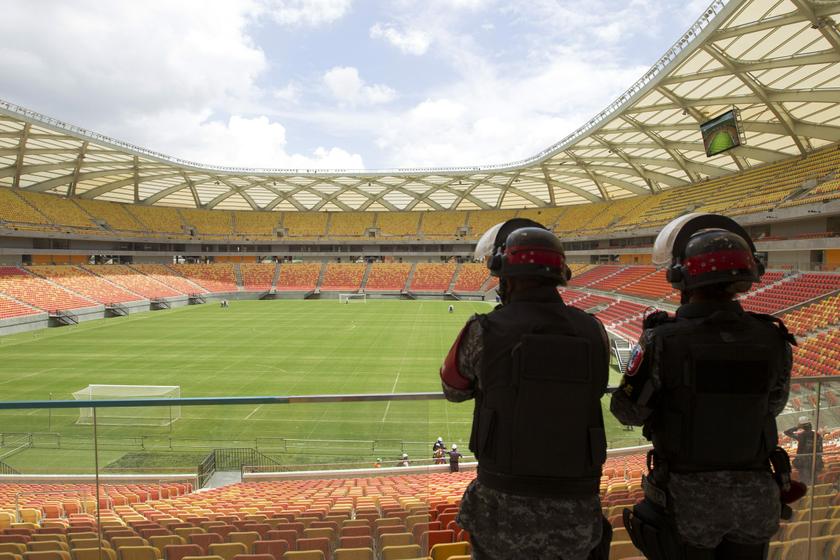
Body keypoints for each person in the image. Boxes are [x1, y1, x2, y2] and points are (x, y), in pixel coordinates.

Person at [611, 213, 798, 560]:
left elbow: (628, 411)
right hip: (754, 499)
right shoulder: (773, 339)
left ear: (681, 277)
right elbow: (772, 406)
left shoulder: (663, 340)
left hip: (688, 501)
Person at [440, 218, 612, 560]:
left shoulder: (483, 330)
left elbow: (454, 388)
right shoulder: (595, 331)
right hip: (576, 505)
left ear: (505, 275)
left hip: (502, 505)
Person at [784, 416, 823, 486]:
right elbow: (820, 450)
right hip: (815, 462)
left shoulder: (801, 436)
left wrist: (797, 427)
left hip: (804, 464)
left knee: (805, 482)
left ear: (802, 426)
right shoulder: (818, 436)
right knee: (814, 482)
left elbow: (787, 432)